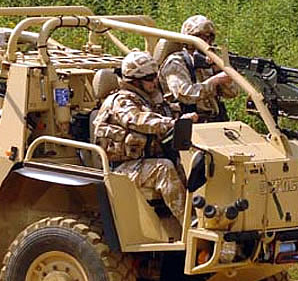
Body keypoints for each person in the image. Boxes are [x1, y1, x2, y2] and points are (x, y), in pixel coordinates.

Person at [92, 51, 197, 227]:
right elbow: (138, 120)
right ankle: (190, 223)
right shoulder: (121, 101)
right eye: (149, 78)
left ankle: (205, 214)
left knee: (191, 163)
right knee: (164, 168)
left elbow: (167, 112)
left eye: (155, 76)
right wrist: (172, 123)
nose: (155, 81)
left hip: (143, 163)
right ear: (134, 81)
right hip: (121, 169)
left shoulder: (148, 99)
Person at [156, 15, 239, 122]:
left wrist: (219, 71)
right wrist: (215, 80)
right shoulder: (176, 62)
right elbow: (185, 95)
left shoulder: (208, 60)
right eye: (200, 37)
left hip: (215, 120)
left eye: (209, 37)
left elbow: (231, 93)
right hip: (189, 121)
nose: (206, 41)